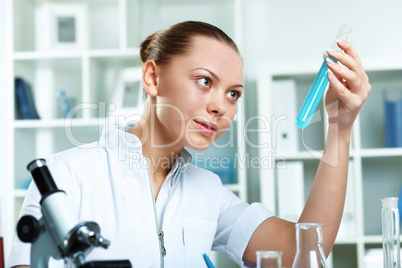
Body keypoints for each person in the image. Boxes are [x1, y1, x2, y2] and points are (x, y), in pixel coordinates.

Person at [9, 21, 371, 268]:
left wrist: (340, 129)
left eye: (233, 94)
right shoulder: (64, 176)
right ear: (153, 78)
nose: (220, 106)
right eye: (203, 81)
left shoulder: (208, 192)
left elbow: (302, 253)